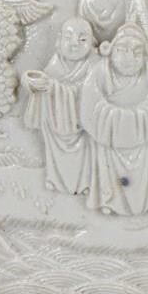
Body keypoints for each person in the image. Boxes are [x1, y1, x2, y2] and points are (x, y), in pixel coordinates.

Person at [80, 23, 148, 215]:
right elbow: (90, 100)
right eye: (121, 51)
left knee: (142, 169)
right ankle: (108, 200)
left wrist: (140, 117)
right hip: (108, 135)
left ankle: (144, 200)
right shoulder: (100, 71)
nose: (129, 58)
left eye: (137, 52)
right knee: (107, 167)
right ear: (111, 50)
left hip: (143, 137)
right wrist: (113, 119)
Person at [23, 17, 98, 194]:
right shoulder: (56, 62)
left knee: (84, 151)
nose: (74, 44)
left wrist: (55, 88)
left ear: (92, 43)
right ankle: (55, 179)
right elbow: (46, 81)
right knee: (54, 151)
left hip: (81, 125)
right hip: (55, 124)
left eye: (82, 39)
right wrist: (33, 84)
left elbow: (91, 93)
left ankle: (84, 183)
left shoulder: (94, 64)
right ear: (59, 40)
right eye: (68, 38)